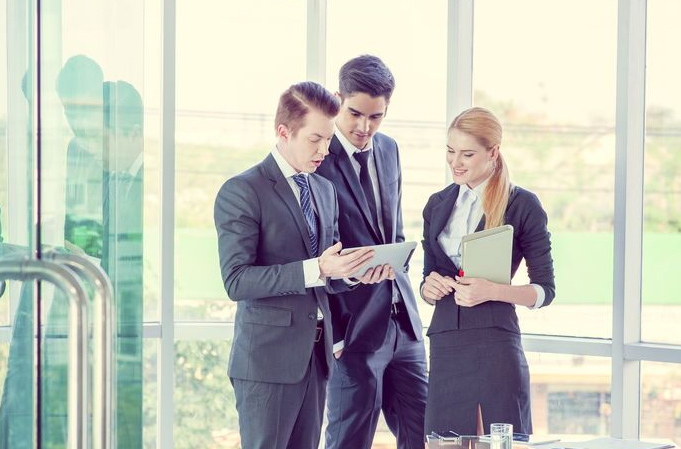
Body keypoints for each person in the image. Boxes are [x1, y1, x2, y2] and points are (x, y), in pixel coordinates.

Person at [214, 81, 393, 449]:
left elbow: (327, 275)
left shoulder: (324, 191)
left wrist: (354, 274)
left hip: (316, 358)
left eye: (328, 140)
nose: (325, 150)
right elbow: (237, 281)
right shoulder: (243, 191)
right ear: (284, 132)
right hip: (268, 363)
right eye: (315, 140)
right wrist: (318, 269)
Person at [420, 107, 555, 436]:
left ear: (493, 152)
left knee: (496, 441)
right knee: (443, 442)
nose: (456, 162)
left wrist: (492, 291)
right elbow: (428, 277)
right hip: (446, 343)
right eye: (450, 152)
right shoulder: (437, 204)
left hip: (494, 344)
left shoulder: (521, 204)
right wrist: (429, 287)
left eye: (467, 154)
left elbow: (544, 291)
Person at [315, 55, 428, 449]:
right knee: (350, 440)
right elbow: (317, 255)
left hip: (404, 324)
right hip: (354, 330)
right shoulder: (317, 161)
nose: (364, 127)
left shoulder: (389, 149)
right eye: (355, 114)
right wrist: (338, 329)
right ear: (337, 99)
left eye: (376, 117)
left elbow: (391, 228)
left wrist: (400, 256)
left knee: (423, 437)